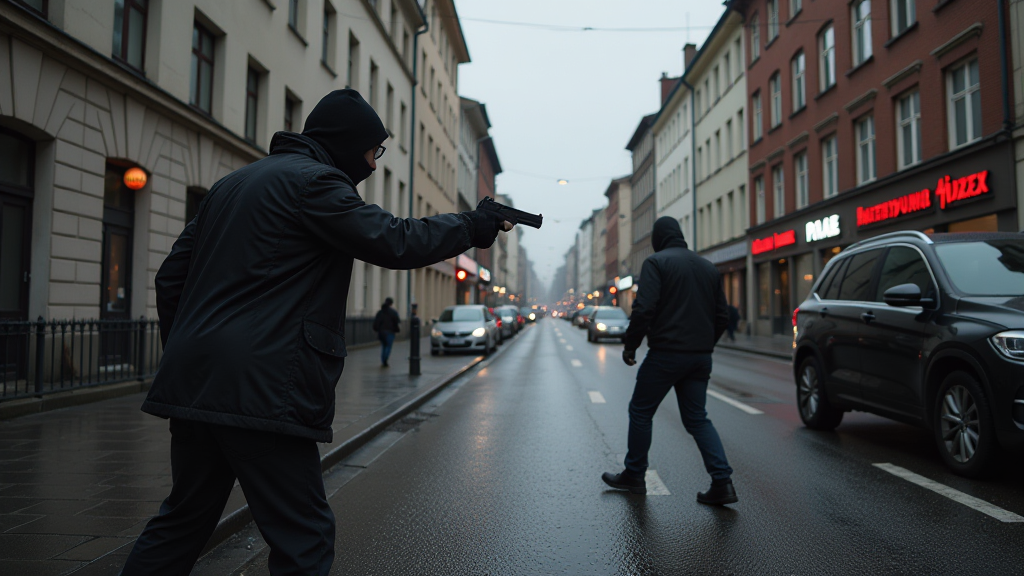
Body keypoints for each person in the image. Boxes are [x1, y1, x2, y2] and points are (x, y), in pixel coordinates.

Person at [120, 89, 511, 575]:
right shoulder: (317, 183)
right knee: (303, 536)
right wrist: (471, 226)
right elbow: (394, 240)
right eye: (373, 150)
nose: (372, 164)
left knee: (182, 522)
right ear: (348, 144)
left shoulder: (230, 185)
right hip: (262, 389)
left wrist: (192, 351)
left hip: (196, 384)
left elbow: (170, 279)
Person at [602, 217, 736, 506]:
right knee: (698, 419)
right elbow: (722, 315)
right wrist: (704, 345)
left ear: (658, 239)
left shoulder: (656, 263)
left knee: (640, 411)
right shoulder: (707, 267)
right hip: (700, 358)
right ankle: (722, 482)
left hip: (666, 355)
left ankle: (635, 475)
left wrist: (631, 346)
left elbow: (644, 308)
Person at [374, 297, 401, 367]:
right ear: (391, 304)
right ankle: (385, 359)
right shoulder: (393, 312)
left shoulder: (380, 312)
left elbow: (376, 322)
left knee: (384, 346)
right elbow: (397, 321)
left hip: (382, 332)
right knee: (388, 346)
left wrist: (378, 329)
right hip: (390, 332)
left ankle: (383, 360)